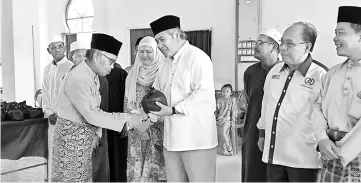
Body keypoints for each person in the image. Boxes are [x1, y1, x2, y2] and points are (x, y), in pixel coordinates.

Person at [51, 33, 143, 182]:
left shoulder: (92, 76)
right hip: (71, 141)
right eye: (110, 61)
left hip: (83, 140)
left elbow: (95, 109)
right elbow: (92, 114)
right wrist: (126, 117)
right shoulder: (78, 77)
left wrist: (97, 133)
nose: (112, 67)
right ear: (96, 57)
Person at [257, 22, 328, 182]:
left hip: (304, 159)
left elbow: (327, 118)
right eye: (282, 42)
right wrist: (262, 133)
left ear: (307, 46)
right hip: (274, 154)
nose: (282, 48)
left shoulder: (321, 76)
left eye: (289, 44)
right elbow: (266, 105)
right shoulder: (275, 72)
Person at [149, 15, 218, 182]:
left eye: (162, 39)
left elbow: (204, 94)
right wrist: (151, 111)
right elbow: (158, 92)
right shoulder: (164, 63)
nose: (159, 46)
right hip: (172, 140)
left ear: (177, 34)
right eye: (157, 41)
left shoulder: (197, 57)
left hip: (197, 140)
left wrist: (173, 110)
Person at [313, 6, 361, 182]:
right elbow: (318, 108)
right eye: (335, 32)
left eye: (341, 32)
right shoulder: (333, 73)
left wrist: (344, 151)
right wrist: (322, 139)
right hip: (329, 152)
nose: (335, 38)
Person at [124, 36, 166, 182]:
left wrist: (148, 124)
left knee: (156, 167)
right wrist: (137, 126)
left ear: (156, 51)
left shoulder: (163, 71)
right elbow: (127, 103)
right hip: (136, 129)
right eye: (141, 51)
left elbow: (165, 102)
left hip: (158, 128)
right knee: (137, 166)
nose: (144, 55)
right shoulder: (132, 74)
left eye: (148, 51)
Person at [242, 28, 281, 182]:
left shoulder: (286, 71)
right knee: (252, 172)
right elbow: (248, 99)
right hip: (252, 131)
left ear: (274, 46)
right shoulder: (250, 72)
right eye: (255, 42)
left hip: (277, 131)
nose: (255, 46)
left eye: (260, 42)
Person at [41, 35, 73, 181]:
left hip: (67, 119)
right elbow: (45, 93)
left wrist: (61, 114)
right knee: (53, 153)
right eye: (53, 47)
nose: (57, 50)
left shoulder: (71, 67)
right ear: (49, 50)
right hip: (51, 120)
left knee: (67, 154)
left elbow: (71, 95)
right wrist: (48, 113)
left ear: (65, 48)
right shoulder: (47, 69)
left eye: (60, 46)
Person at [106, 55, 129, 182]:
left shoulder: (121, 73)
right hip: (99, 123)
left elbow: (127, 100)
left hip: (118, 123)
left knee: (118, 158)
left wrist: (125, 122)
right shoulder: (93, 74)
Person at [215, 84, 237, 156]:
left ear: (231, 92)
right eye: (223, 91)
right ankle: (222, 150)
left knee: (224, 133)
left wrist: (233, 122)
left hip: (227, 120)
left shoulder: (232, 100)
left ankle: (229, 149)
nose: (225, 93)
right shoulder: (219, 100)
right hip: (219, 120)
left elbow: (234, 111)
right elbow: (216, 111)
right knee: (219, 134)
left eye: (227, 91)